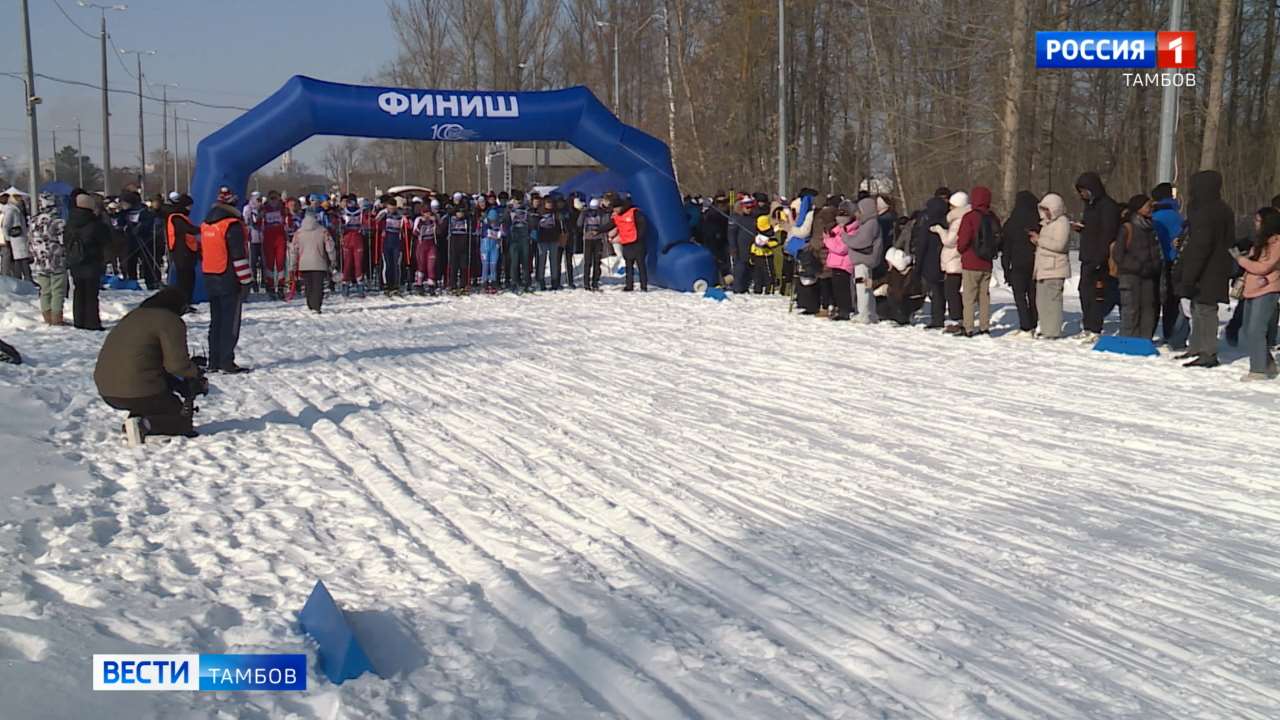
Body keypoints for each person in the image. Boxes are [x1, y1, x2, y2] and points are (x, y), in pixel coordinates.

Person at [94, 288, 207, 441]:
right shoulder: (170, 320)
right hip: (137, 388)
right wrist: (195, 373)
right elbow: (176, 365)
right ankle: (145, 425)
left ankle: (134, 421)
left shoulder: (133, 316)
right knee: (177, 415)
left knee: (153, 399)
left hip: (107, 389)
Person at [1175, 170, 1234, 368]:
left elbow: (1201, 245)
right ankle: (1197, 347)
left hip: (1208, 268)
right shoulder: (1222, 208)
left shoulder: (1206, 211)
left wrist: (1189, 274)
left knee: (1206, 309)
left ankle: (1208, 351)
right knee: (1197, 307)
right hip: (1215, 266)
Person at [201, 187, 253, 373]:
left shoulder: (207, 223)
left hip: (210, 275)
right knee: (230, 322)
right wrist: (246, 281)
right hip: (228, 277)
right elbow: (238, 256)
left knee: (216, 321)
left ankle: (213, 360)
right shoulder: (232, 225)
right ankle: (226, 360)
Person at [1074, 171, 1122, 341]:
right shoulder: (1090, 206)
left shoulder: (1108, 206)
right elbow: (1093, 229)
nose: (1082, 194)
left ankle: (1095, 328)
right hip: (1087, 255)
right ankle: (1087, 326)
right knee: (1084, 292)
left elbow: (1107, 233)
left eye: (1084, 190)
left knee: (1097, 295)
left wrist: (1100, 257)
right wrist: (1082, 228)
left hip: (1099, 258)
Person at [1233, 211, 1280, 380]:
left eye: (1259, 221)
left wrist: (1241, 260)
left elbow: (1263, 267)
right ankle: (1267, 363)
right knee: (1247, 329)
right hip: (1251, 289)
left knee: (1256, 329)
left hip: (1267, 289)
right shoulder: (1259, 242)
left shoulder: (1277, 243)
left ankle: (1258, 370)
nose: (1256, 224)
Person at [1112, 195, 1163, 339]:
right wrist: (1139, 266)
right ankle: (1128, 340)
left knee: (1148, 309)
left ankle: (1145, 340)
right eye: (1147, 205)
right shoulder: (1127, 228)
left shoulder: (1152, 227)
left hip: (1148, 277)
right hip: (1130, 276)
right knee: (1131, 309)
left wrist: (1155, 266)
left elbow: (1155, 251)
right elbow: (1118, 255)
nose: (1150, 208)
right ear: (1138, 208)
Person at [1029, 193, 1071, 339]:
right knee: (1041, 302)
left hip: (1055, 268)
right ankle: (1046, 329)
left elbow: (1060, 245)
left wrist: (1040, 240)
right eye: (1043, 209)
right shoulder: (1046, 224)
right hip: (1044, 268)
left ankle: (1053, 332)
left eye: (1047, 209)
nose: (1045, 212)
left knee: (1053, 302)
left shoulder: (1062, 222)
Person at [65, 190, 109, 331]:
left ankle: (79, 320)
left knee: (78, 292)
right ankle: (92, 322)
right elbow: (106, 239)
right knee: (91, 294)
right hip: (91, 261)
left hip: (75, 261)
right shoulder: (94, 223)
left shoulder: (69, 222)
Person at [1151, 182, 1188, 348]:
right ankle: (1171, 332)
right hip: (1176, 260)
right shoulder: (1178, 215)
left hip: (1161, 260)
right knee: (1172, 300)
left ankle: (1164, 333)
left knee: (1159, 298)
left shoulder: (1156, 217)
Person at [1001, 190, 1040, 336]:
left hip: (1017, 263)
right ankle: (1034, 323)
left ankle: (1025, 325)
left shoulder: (1012, 221)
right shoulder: (1037, 220)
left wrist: (1006, 268)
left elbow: (1006, 247)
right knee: (1033, 295)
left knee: (1019, 295)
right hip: (1035, 262)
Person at [931, 192, 969, 334]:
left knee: (951, 292)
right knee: (954, 291)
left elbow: (949, 241)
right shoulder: (964, 218)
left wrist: (940, 230)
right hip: (957, 259)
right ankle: (958, 318)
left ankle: (956, 320)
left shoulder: (957, 221)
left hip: (954, 260)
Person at [29, 193, 67, 326]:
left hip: (40, 259)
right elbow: (63, 241)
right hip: (56, 259)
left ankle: (46, 316)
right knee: (57, 289)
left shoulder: (34, 220)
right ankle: (57, 317)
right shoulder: (58, 222)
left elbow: (31, 239)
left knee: (44, 290)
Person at [290, 210, 337, 314]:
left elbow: (293, 250)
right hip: (319, 262)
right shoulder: (323, 231)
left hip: (304, 263)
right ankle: (316, 305)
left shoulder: (298, 232)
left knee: (308, 285)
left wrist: (292, 265)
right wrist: (333, 260)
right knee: (318, 285)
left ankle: (310, 303)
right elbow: (330, 247)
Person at [599, 195, 648, 291]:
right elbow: (610, 225)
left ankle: (643, 286)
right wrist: (598, 230)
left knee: (641, 265)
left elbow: (642, 225)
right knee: (628, 266)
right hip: (626, 243)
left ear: (620, 207)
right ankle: (629, 286)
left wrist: (639, 237)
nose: (615, 211)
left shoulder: (634, 212)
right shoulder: (617, 216)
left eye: (615, 209)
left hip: (637, 243)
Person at [916, 196, 949, 329]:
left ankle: (937, 319)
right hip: (946, 261)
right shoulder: (947, 224)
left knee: (935, 292)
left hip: (931, 262)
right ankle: (942, 315)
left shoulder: (928, 226)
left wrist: (918, 266)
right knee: (942, 290)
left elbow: (922, 247)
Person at [163, 194, 199, 308]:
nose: (190, 209)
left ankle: (187, 301)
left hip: (187, 252)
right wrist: (203, 228)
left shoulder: (182, 217)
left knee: (189, 278)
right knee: (184, 280)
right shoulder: (176, 218)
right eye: (189, 207)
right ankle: (182, 303)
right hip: (181, 253)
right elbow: (189, 230)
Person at [823, 205, 855, 320]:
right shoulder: (837, 230)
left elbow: (841, 248)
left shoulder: (851, 231)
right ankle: (839, 309)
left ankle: (845, 311)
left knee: (843, 290)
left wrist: (828, 240)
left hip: (844, 264)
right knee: (837, 289)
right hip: (836, 263)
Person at [260, 191, 288, 297]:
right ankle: (270, 285)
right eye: (271, 198)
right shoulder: (264, 208)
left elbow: (288, 219)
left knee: (280, 263)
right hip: (268, 238)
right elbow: (257, 221)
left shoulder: (282, 208)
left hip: (280, 238)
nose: (273, 201)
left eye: (275, 198)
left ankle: (281, 286)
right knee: (270, 263)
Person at [728, 197, 759, 293]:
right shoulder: (735, 217)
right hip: (740, 249)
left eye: (751, 207)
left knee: (749, 270)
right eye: (747, 207)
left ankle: (746, 287)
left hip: (752, 248)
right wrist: (733, 248)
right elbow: (731, 234)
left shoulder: (754, 217)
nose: (749, 209)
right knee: (740, 270)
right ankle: (737, 289)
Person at [380, 200, 409, 297]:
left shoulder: (400, 215)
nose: (391, 209)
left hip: (396, 242)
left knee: (396, 264)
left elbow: (407, 225)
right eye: (390, 207)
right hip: (386, 242)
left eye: (393, 207)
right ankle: (387, 285)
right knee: (387, 264)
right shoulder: (384, 214)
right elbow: (376, 221)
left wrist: (406, 221)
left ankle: (396, 285)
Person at [2, 192, 32, 282]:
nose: (20, 199)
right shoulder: (11, 210)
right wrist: (7, 239)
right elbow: (5, 225)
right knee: (21, 262)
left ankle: (25, 279)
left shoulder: (16, 209)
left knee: (21, 261)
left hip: (20, 239)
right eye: (17, 197)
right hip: (16, 239)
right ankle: (25, 280)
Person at [535, 196, 563, 290]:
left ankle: (554, 281)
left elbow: (559, 226)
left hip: (553, 239)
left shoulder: (556, 213)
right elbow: (535, 224)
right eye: (548, 202)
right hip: (542, 239)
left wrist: (560, 236)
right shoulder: (540, 212)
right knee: (541, 261)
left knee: (554, 261)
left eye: (551, 202)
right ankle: (541, 280)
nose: (549, 204)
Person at [412, 200, 440, 295]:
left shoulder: (433, 220)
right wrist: (422, 223)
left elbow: (439, 231)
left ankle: (431, 285)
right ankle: (419, 284)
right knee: (422, 265)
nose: (427, 215)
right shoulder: (419, 220)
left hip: (431, 244)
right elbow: (415, 232)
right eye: (425, 213)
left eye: (428, 213)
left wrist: (435, 221)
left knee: (431, 266)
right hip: (421, 245)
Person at [579, 198, 607, 291]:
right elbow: (579, 224)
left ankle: (595, 281)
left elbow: (605, 224)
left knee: (597, 261)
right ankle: (586, 282)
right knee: (588, 262)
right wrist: (583, 213)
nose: (593, 212)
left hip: (598, 239)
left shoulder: (601, 214)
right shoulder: (586, 214)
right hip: (588, 240)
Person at [749, 213, 780, 293]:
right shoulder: (757, 234)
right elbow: (753, 245)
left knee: (768, 274)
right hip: (757, 256)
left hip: (767, 256)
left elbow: (776, 242)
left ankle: (769, 289)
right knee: (757, 274)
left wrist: (767, 245)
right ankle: (757, 289)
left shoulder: (771, 233)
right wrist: (752, 254)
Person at [447, 201, 472, 293]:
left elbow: (471, 226)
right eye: (458, 212)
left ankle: (463, 284)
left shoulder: (466, 220)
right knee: (454, 266)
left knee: (463, 266)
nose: (460, 214)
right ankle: (452, 284)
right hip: (454, 244)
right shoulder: (451, 219)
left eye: (462, 212)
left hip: (464, 245)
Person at [243, 192, 264, 292]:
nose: (259, 202)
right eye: (257, 199)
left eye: (260, 200)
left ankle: (263, 281)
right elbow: (247, 221)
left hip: (262, 237)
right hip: (252, 238)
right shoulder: (248, 208)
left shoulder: (262, 208)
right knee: (253, 261)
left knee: (264, 261)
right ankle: (254, 281)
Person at [480, 206, 504, 293]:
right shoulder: (485, 224)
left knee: (493, 265)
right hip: (485, 248)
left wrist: (497, 234)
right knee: (485, 265)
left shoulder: (499, 224)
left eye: (495, 221)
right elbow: (486, 233)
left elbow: (500, 234)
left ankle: (494, 282)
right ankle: (484, 283)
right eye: (492, 221)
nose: (493, 223)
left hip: (495, 247)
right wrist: (495, 234)